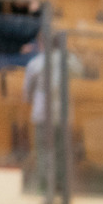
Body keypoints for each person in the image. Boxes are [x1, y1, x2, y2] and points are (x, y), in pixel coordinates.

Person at [23, 36, 82, 192]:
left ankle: (44, 186)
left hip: (42, 113)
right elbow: (80, 71)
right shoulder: (67, 61)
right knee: (62, 151)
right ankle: (61, 186)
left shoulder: (35, 63)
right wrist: (69, 53)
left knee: (43, 151)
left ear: (42, 44)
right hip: (63, 115)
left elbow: (27, 93)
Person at [0, 0, 41, 70]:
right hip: (4, 54)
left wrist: (34, 11)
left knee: (41, 61)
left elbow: (38, 35)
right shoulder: (0, 5)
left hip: (29, 55)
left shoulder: (36, 6)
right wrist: (17, 48)